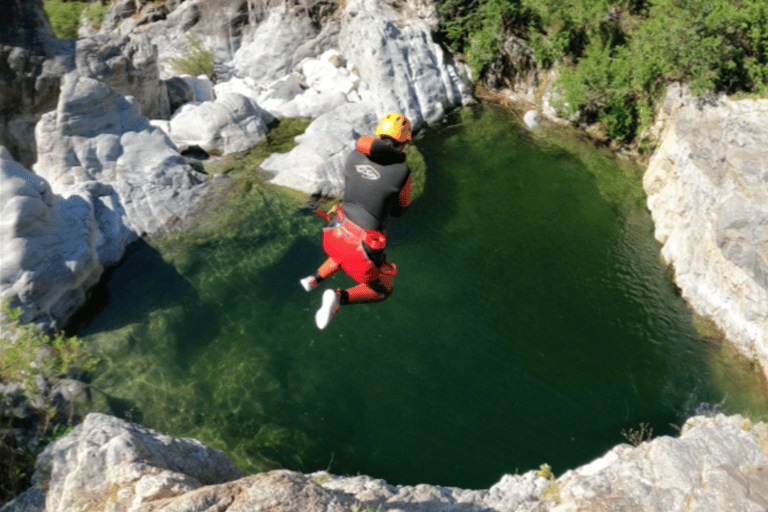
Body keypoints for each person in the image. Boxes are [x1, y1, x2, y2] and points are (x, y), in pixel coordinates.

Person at [300, 112, 413, 329]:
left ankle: (312, 279)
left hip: (335, 231)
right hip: (363, 248)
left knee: (344, 254)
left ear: (379, 134)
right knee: (382, 290)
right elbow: (399, 211)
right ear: (403, 143)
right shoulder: (402, 171)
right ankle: (338, 298)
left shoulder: (353, 155)